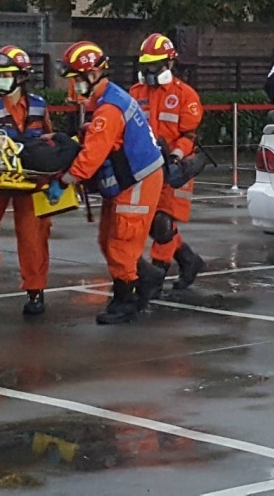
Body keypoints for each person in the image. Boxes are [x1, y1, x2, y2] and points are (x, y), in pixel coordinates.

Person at [47, 41, 165, 325]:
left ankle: (127, 300)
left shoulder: (109, 108)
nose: (73, 86)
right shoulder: (108, 101)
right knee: (107, 239)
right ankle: (145, 278)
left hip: (139, 180)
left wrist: (63, 181)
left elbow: (91, 158)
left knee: (121, 241)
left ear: (92, 75)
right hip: (131, 178)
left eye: (76, 79)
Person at [0, 45, 53, 316]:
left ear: (21, 76)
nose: (0, 80)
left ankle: (35, 290)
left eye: (6, 74)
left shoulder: (39, 106)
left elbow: (51, 139)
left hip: (32, 181)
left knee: (33, 236)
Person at [129, 33, 206, 290]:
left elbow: (189, 135)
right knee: (153, 223)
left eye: (155, 65)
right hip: (146, 168)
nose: (150, 71)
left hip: (175, 167)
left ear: (170, 63)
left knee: (163, 222)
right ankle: (188, 259)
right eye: (146, 65)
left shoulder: (185, 95)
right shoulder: (135, 92)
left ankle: (157, 274)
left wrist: (176, 156)